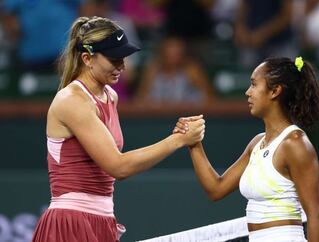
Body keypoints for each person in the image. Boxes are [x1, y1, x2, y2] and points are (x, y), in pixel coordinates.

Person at [32, 16, 205, 242]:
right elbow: (118, 166)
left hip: (102, 219)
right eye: (114, 59)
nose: (122, 66)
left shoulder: (110, 97)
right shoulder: (72, 100)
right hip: (70, 223)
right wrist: (178, 140)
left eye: (123, 58)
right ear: (87, 58)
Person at [175, 57, 319, 241]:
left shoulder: (295, 143)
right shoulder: (256, 143)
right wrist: (193, 143)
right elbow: (216, 188)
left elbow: (316, 216)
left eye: (254, 85)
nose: (248, 92)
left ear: (275, 91)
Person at [135, 35, 215, 104]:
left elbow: (208, 98)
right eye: (169, 53)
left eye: (176, 53)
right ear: (162, 53)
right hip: (157, 118)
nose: (172, 57)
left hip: (187, 117)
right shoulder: (153, 71)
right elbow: (140, 99)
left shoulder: (192, 70)